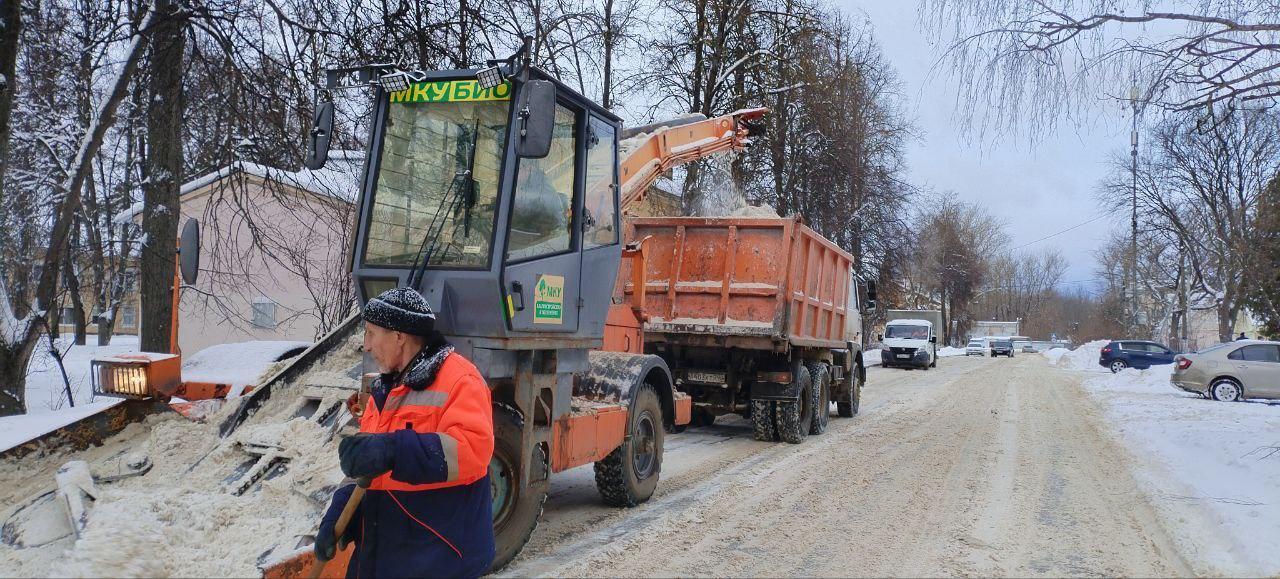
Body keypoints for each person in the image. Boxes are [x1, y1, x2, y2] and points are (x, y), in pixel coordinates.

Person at [315, 287, 495, 578]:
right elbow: (367, 467)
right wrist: (339, 513)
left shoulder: (461, 379)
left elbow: (473, 451)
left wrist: (393, 450)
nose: (367, 345)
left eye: (372, 334)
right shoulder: (384, 389)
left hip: (436, 554)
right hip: (382, 552)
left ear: (399, 336)